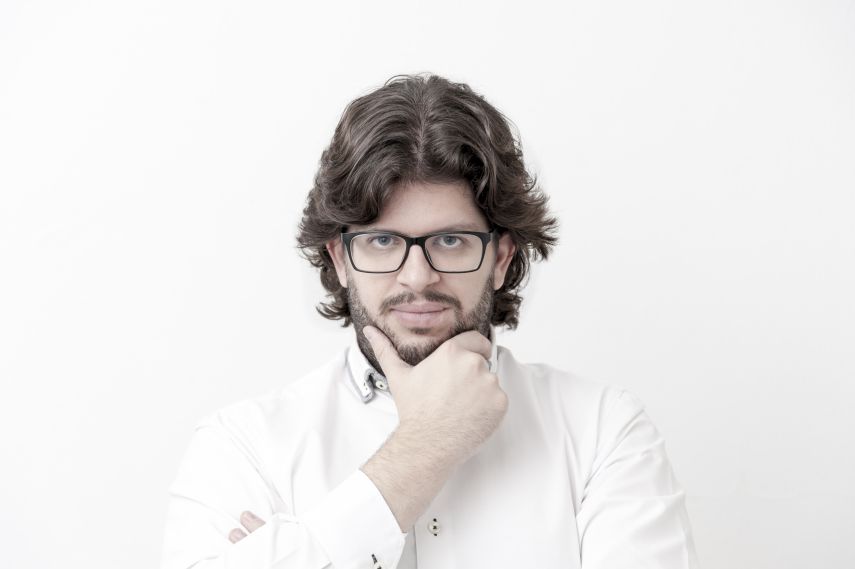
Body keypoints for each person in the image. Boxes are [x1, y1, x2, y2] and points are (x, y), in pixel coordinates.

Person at [160, 73, 700, 569]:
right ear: (341, 259)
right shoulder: (242, 447)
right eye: (382, 241)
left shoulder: (603, 430)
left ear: (501, 258)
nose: (417, 277)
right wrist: (423, 448)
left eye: (450, 240)